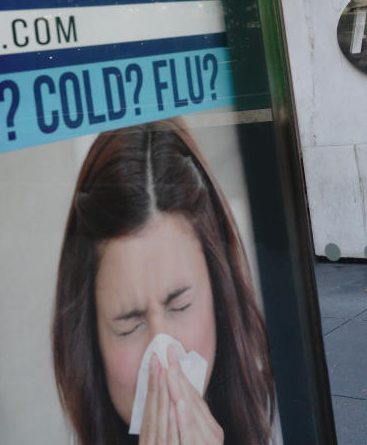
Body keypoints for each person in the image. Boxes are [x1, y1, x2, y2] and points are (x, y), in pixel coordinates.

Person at [51, 118, 275, 445]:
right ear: (90, 340)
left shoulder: (289, 414)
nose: (162, 354)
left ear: (218, 294)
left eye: (180, 305)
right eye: (129, 325)